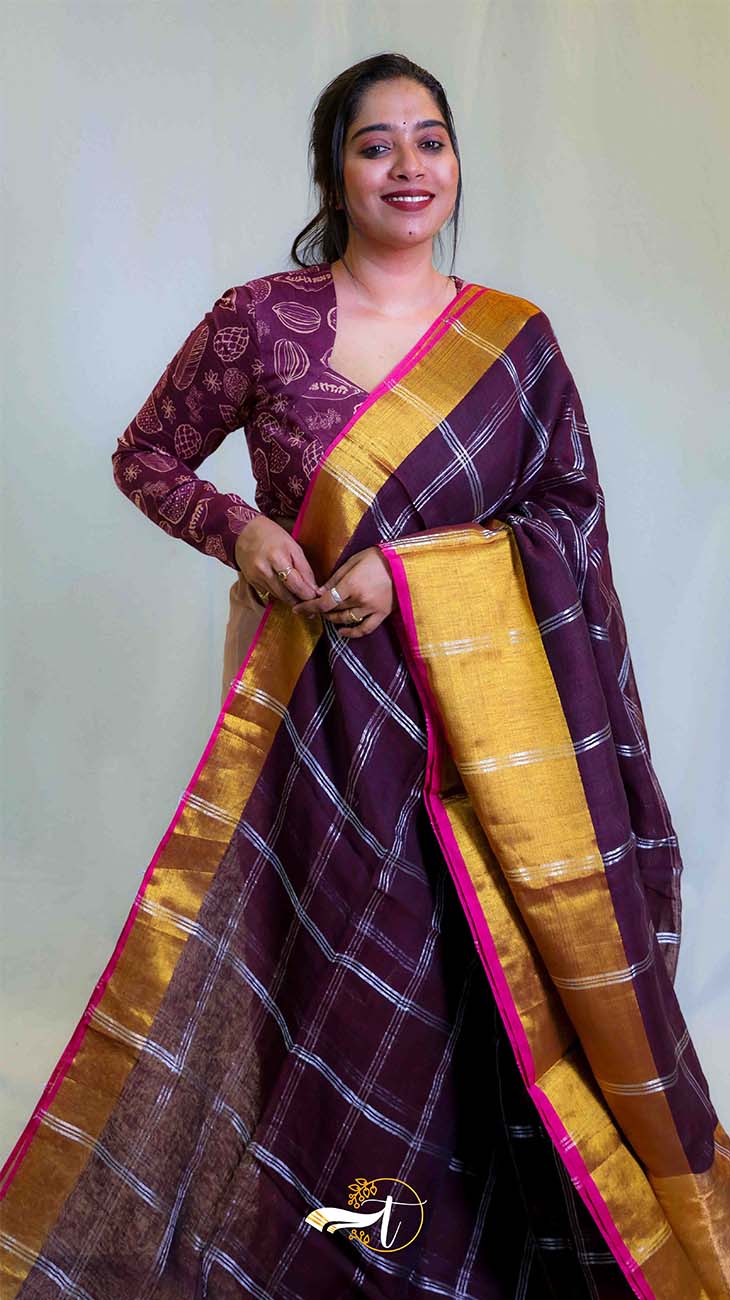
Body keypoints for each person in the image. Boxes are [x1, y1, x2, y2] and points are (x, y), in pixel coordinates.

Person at [1, 52, 728, 1300]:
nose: (408, 168)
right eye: (376, 144)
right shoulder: (259, 319)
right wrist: (238, 528)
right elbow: (149, 457)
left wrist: (415, 576)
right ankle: (331, 1244)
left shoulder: (514, 342)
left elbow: (566, 512)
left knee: (475, 981)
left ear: (456, 164)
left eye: (430, 141)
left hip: (482, 741)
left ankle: (480, 1243)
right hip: (314, 719)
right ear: (333, 170)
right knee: (337, 971)